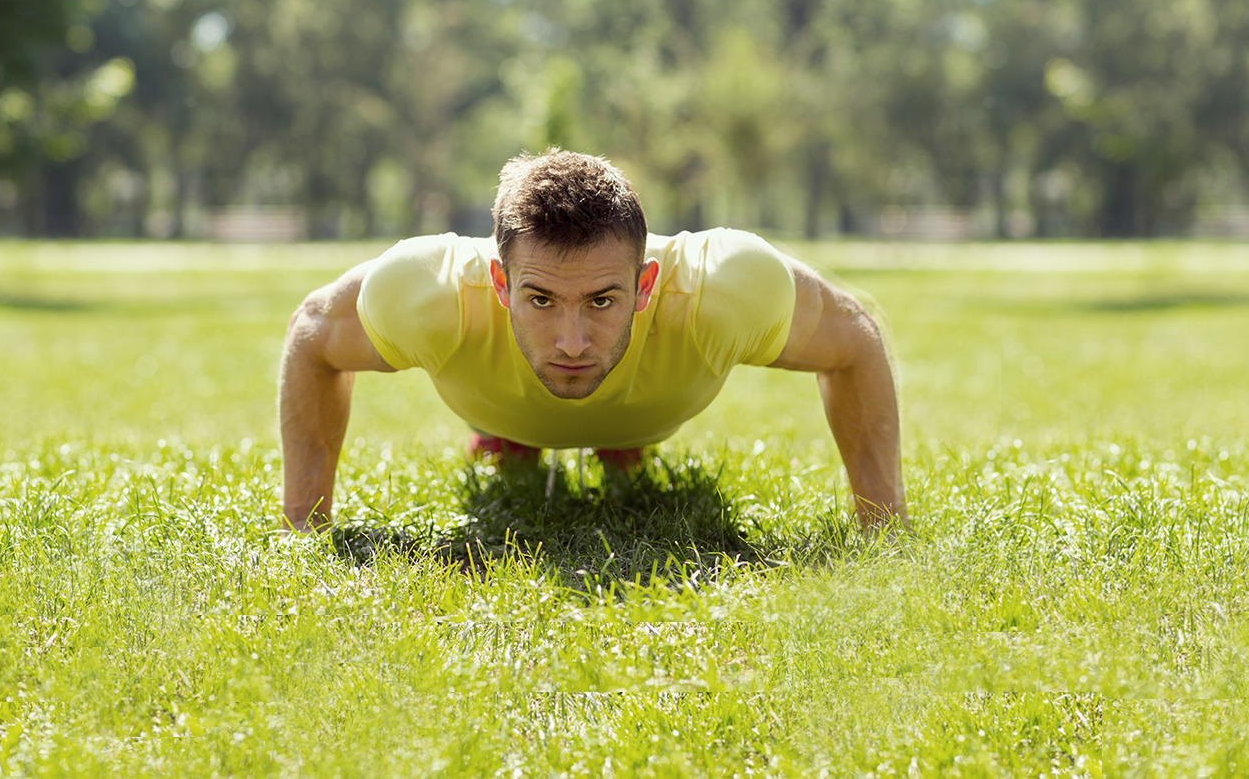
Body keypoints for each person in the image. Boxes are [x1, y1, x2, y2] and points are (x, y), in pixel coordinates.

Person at [277, 149, 904, 531]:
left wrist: (884, 530)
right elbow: (313, 333)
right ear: (498, 281)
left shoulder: (725, 289)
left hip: (647, 409)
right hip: (501, 402)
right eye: (541, 300)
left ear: (645, 283)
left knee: (622, 432)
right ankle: (511, 435)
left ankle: (620, 443)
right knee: (522, 425)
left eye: (602, 301)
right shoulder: (427, 294)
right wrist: (306, 527)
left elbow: (855, 341)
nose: (572, 341)